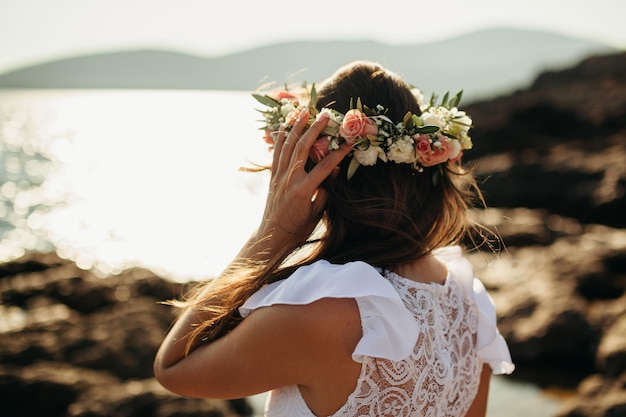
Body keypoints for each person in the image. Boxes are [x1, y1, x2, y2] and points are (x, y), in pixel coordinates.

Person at [153, 61, 514, 417]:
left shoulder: (316, 315)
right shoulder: (469, 306)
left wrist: (271, 234)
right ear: (426, 163)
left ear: (317, 171)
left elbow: (173, 368)